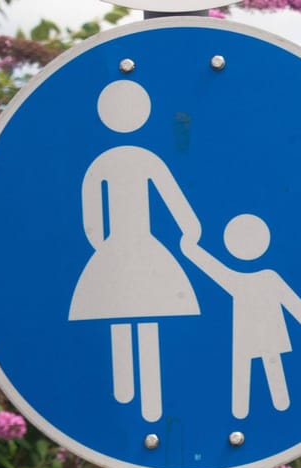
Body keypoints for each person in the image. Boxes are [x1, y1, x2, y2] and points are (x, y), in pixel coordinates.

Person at [68, 80, 203, 424]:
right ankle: (143, 402)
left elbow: (91, 219)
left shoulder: (103, 162)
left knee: (120, 310)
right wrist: (190, 229)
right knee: (143, 314)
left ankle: (131, 396)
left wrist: (103, 247)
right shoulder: (144, 159)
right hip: (141, 246)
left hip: (119, 246)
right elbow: (175, 201)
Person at [180, 215, 301, 419]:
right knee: (258, 366)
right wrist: (191, 250)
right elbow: (213, 269)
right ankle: (247, 411)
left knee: (263, 366)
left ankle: (259, 409)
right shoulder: (255, 278)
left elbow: (290, 300)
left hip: (261, 332)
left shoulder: (254, 279)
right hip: (253, 332)